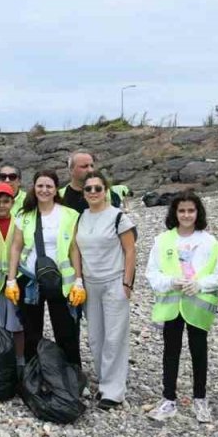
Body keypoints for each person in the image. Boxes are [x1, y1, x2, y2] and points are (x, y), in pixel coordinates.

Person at [145, 191, 218, 423]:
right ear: (175, 213)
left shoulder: (209, 241)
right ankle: (168, 399)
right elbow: (152, 273)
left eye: (191, 210)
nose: (186, 215)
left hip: (197, 305)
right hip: (172, 306)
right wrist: (170, 282)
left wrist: (200, 284)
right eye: (182, 210)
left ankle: (200, 399)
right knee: (170, 352)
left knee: (198, 351)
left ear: (197, 212)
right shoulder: (162, 241)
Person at [4, 170, 86, 365]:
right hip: (30, 278)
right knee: (32, 331)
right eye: (40, 186)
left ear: (56, 189)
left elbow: (74, 248)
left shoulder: (69, 215)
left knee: (66, 330)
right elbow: (16, 247)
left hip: (61, 280)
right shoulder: (24, 215)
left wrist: (79, 280)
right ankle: (33, 375)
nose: (44, 190)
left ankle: (72, 374)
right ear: (34, 187)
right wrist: (11, 279)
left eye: (49, 186)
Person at [75, 172, 137, 410]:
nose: (93, 193)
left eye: (97, 188)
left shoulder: (118, 217)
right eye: (88, 189)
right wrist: (79, 279)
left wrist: (127, 283)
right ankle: (103, 380)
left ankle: (113, 390)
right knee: (96, 337)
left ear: (106, 190)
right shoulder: (81, 217)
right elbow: (77, 251)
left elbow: (130, 251)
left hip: (114, 281)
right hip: (90, 284)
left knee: (114, 337)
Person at [0, 182, 24, 363]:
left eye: (6, 201)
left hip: (14, 281)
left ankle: (19, 360)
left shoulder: (19, 222)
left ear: (12, 202)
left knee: (17, 324)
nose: (2, 205)